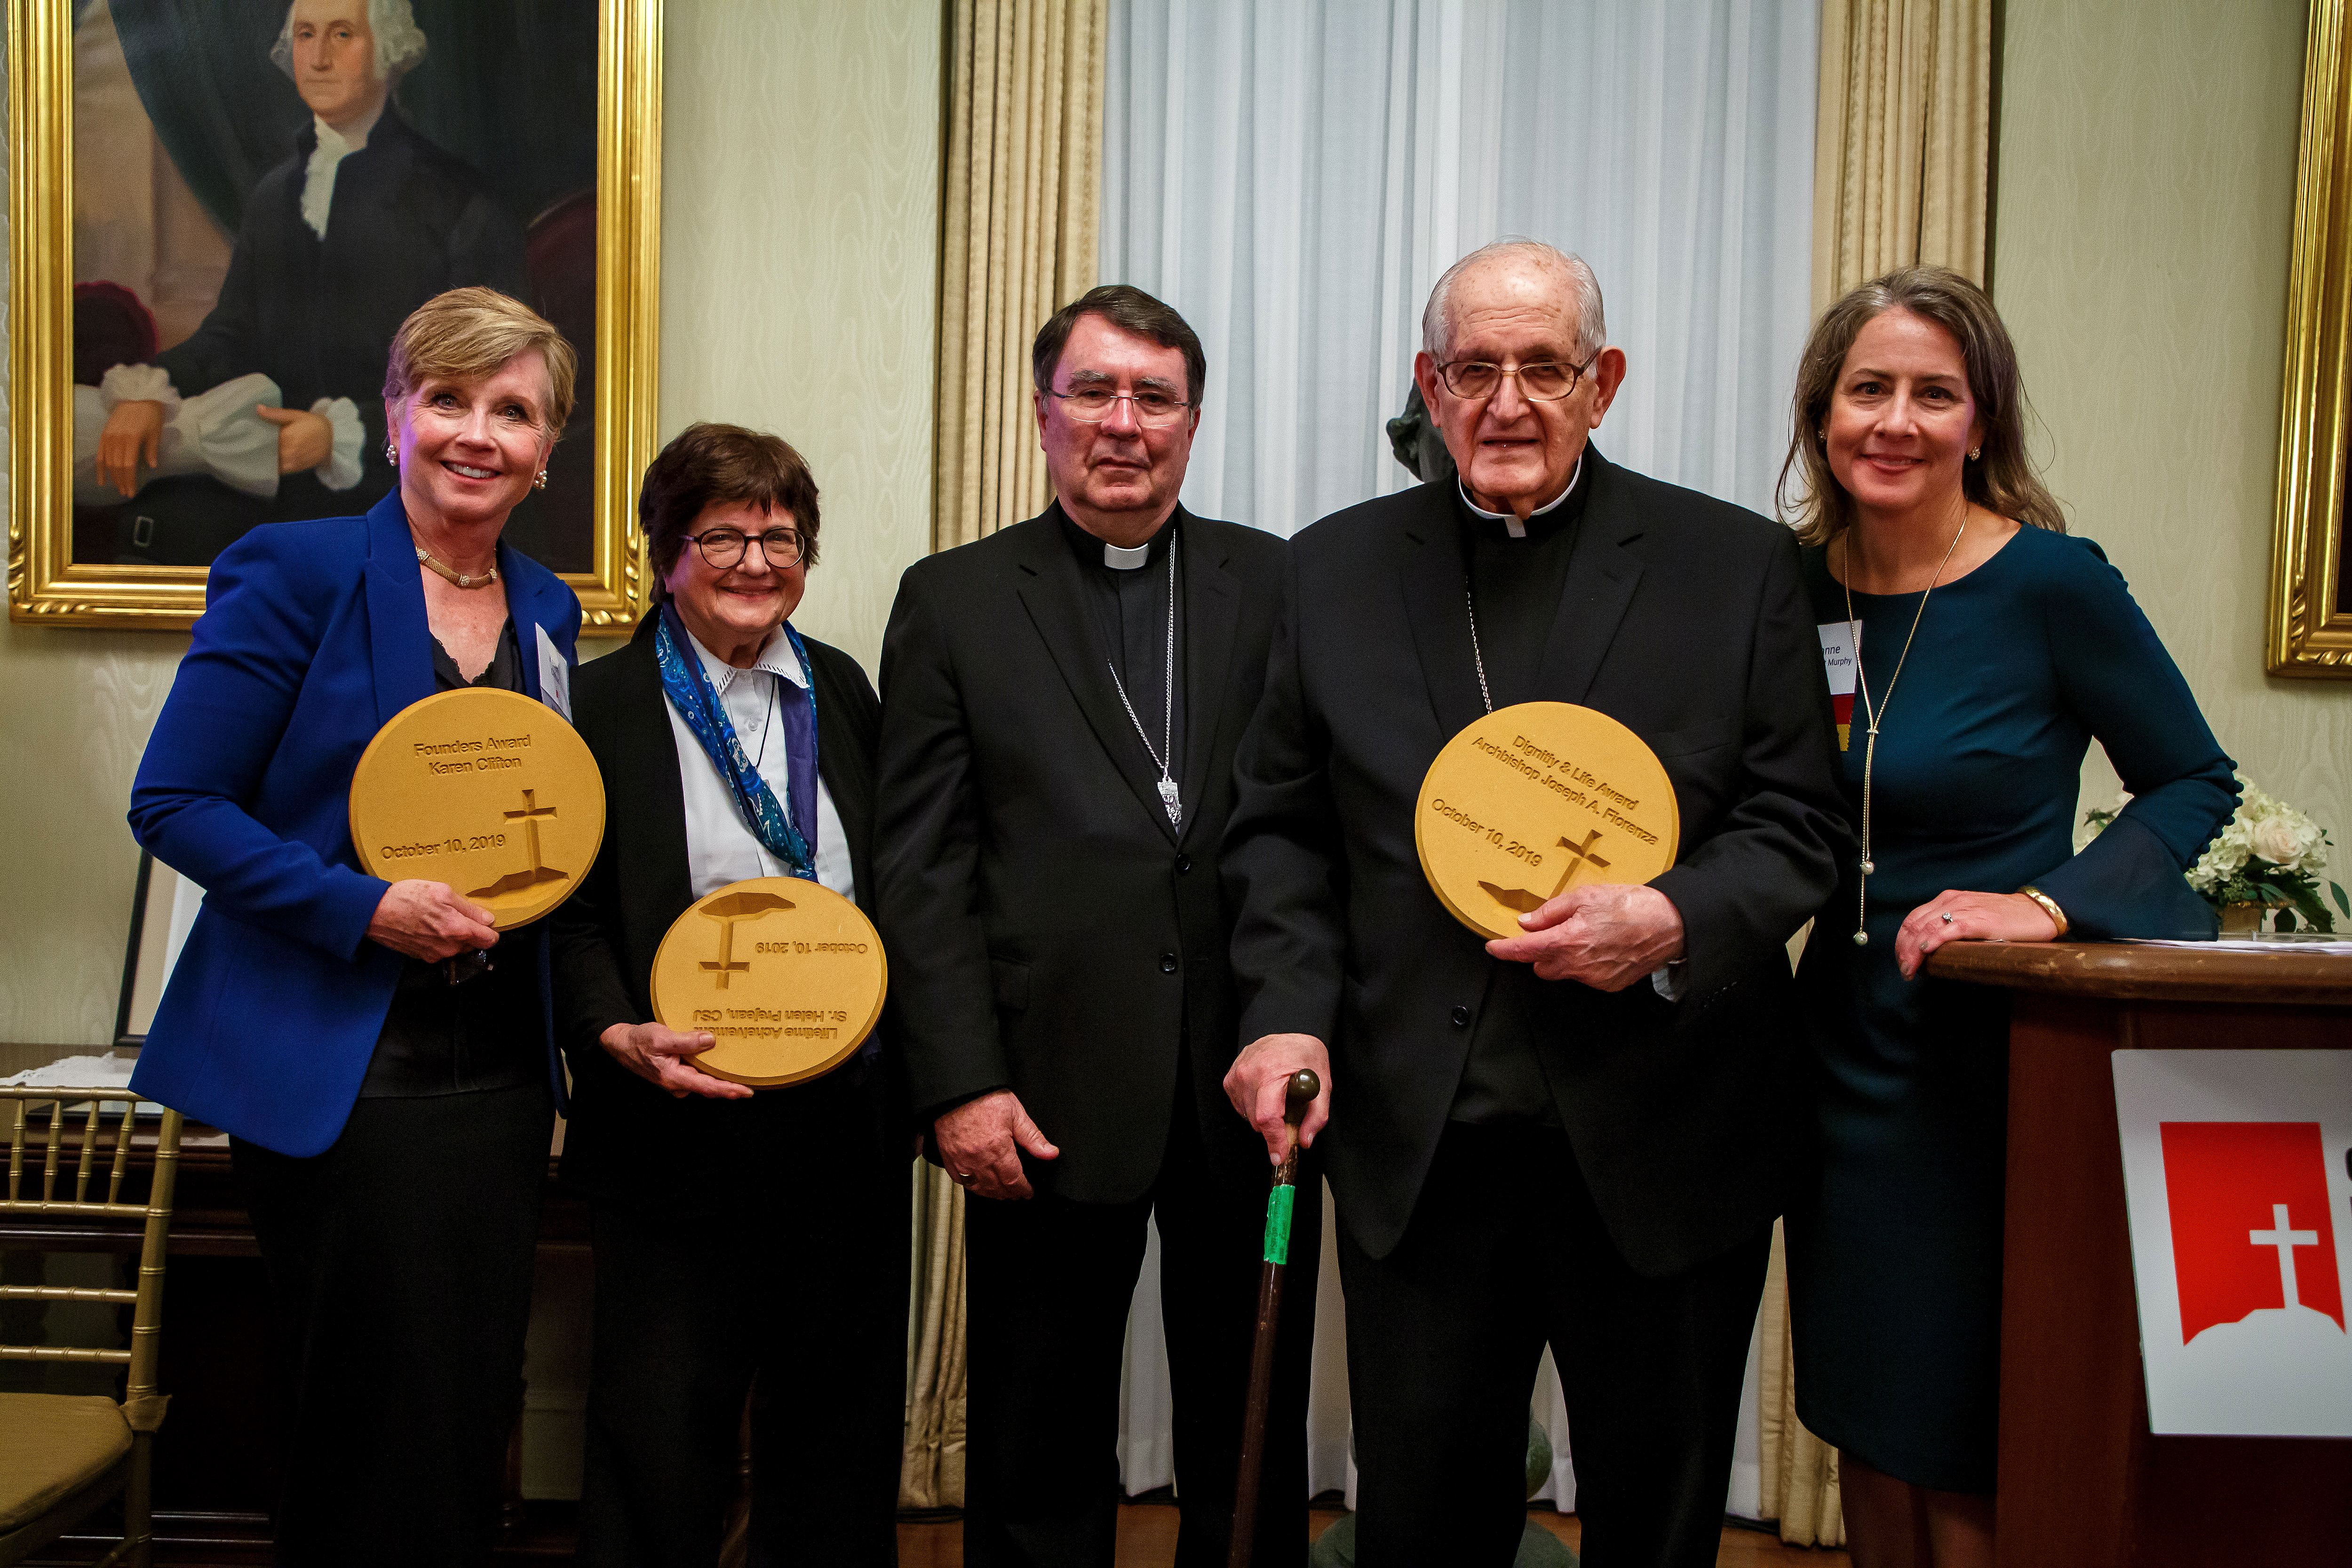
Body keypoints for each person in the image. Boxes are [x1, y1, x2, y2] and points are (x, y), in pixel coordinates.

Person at [1221, 239, 1850, 1568]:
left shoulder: (1734, 566)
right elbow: (1281, 832)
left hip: (1667, 1130)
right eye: (1474, 368)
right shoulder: (1331, 571)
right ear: (1428, 384)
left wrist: (1674, 917)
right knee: (1424, 1523)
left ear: (1603, 381)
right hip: (1425, 1148)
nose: (1509, 401)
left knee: (1655, 1525)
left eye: (1545, 366)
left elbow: (1801, 826)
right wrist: (1286, 1018)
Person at [1777, 266, 2237, 1568]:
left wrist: (2047, 902)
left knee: (1960, 1420)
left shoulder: (2052, 584)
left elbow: (2196, 781)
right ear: (1823, 413)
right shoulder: (1792, 589)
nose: (1897, 420)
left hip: (1980, 1064)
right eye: (1869, 388)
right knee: (1861, 1409)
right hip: (1834, 1051)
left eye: (1936, 393)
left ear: (1983, 422)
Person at [126, 287, 580, 1564]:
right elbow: (173, 802)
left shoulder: (548, 611)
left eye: (514, 410)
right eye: (448, 400)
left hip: (495, 1075)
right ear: (393, 417)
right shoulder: (299, 570)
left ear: (548, 451)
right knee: (363, 1417)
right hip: (342, 1075)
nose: (478, 433)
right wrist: (364, 905)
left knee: (471, 1401)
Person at [875, 284, 1315, 1567]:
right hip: (1043, 1091)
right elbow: (922, 862)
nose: (1124, 423)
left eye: (1156, 397)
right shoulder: (955, 598)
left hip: (1250, 1084)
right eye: (1095, 391)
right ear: (1042, 411)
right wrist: (961, 1080)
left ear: (1192, 420)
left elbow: (1319, 830)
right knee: (1036, 1431)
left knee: (1251, 1427)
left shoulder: (1280, 580)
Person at [550, 423, 906, 1566]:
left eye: (780, 537)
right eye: (723, 536)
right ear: (665, 555)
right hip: (672, 1115)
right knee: (661, 1432)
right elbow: (567, 906)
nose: (757, 562)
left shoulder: (843, 688)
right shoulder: (592, 705)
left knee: (837, 1428)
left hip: (841, 1126)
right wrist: (613, 1028)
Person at [92, 0, 528, 550]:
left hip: (402, 493)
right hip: (274, 478)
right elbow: (231, 336)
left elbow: (491, 387)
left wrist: (340, 438)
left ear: (390, 51)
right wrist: (149, 393)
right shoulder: (275, 196)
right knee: (147, 531)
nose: (318, 58)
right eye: (305, 35)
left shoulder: (460, 204)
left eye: (342, 34)